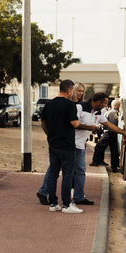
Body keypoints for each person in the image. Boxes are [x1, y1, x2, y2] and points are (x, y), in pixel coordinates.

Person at [41, 79, 83, 214]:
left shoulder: (49, 104)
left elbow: (43, 123)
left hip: (53, 144)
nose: (73, 93)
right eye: (73, 90)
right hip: (67, 145)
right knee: (67, 174)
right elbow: (75, 124)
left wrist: (50, 135)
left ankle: (53, 203)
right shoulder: (70, 105)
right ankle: (66, 204)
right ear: (69, 90)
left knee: (53, 173)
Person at [91, 99, 121, 171]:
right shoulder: (120, 113)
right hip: (116, 133)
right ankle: (114, 166)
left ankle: (96, 161)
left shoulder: (108, 113)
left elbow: (103, 123)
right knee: (114, 150)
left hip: (108, 133)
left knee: (99, 146)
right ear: (118, 106)